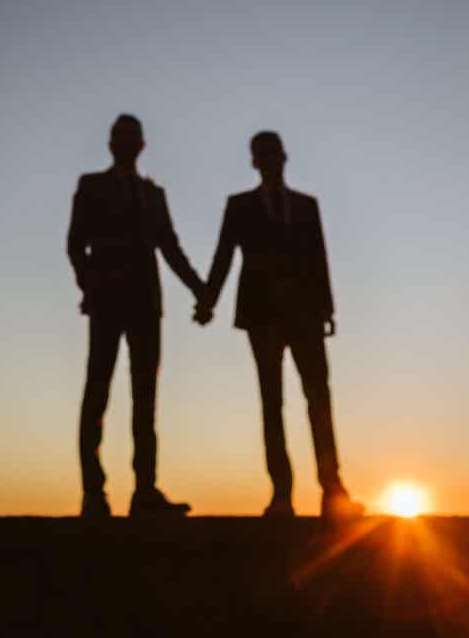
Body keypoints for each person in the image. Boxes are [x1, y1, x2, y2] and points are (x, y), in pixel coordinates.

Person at [195, 131, 363, 522]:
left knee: (319, 400)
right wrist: (208, 301)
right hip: (262, 316)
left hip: (304, 314)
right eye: (262, 154)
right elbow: (223, 256)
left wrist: (326, 308)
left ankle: (332, 490)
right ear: (255, 162)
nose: (269, 160)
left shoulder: (307, 207)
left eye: (274, 153)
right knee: (273, 403)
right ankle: (282, 494)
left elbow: (319, 258)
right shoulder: (239, 207)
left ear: (284, 158)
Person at [67, 113, 207, 519]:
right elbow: (75, 244)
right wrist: (90, 285)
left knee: (145, 398)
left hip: (147, 305)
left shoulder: (153, 194)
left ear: (142, 145)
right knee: (98, 392)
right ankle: (94, 493)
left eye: (133, 137)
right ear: (110, 144)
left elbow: (171, 248)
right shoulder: (90, 186)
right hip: (107, 302)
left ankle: (144, 492)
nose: (127, 144)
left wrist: (201, 291)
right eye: (120, 137)